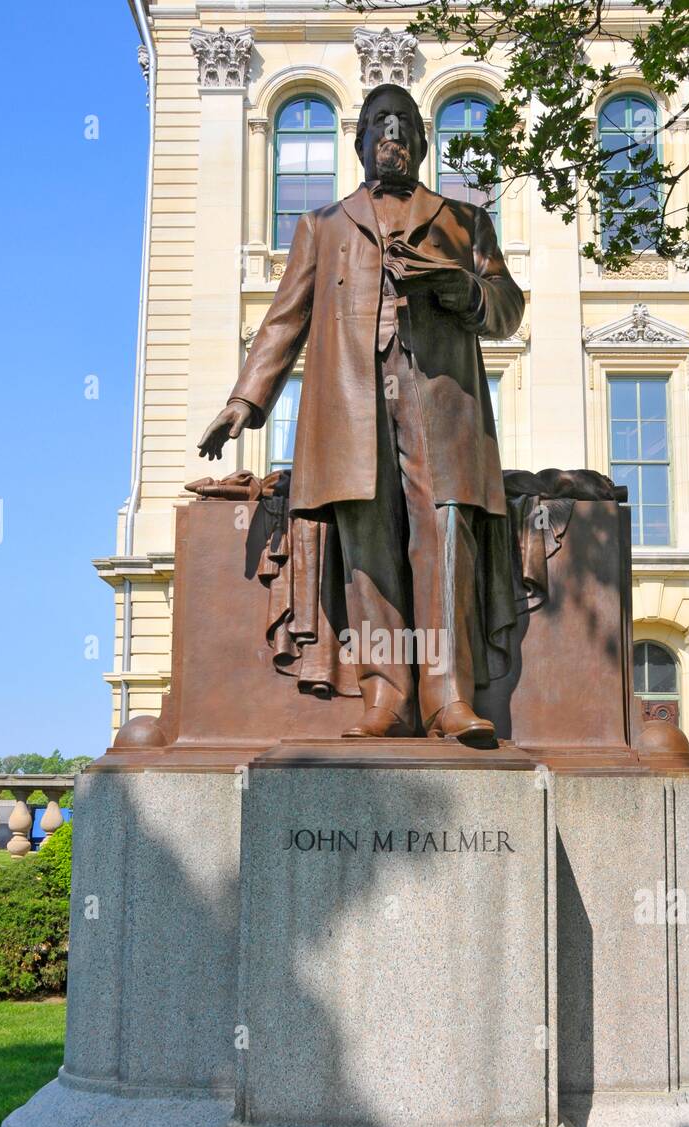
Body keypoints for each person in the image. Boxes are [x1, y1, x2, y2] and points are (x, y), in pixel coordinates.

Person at [198, 83, 524, 743]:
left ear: (423, 142)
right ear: (359, 142)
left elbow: (507, 306)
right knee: (368, 549)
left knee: (446, 534)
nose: (392, 137)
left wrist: (459, 287)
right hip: (348, 402)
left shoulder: (465, 221)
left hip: (439, 397)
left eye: (404, 125)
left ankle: (448, 697)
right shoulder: (322, 225)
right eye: (379, 125)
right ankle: (386, 695)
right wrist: (244, 400)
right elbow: (283, 318)